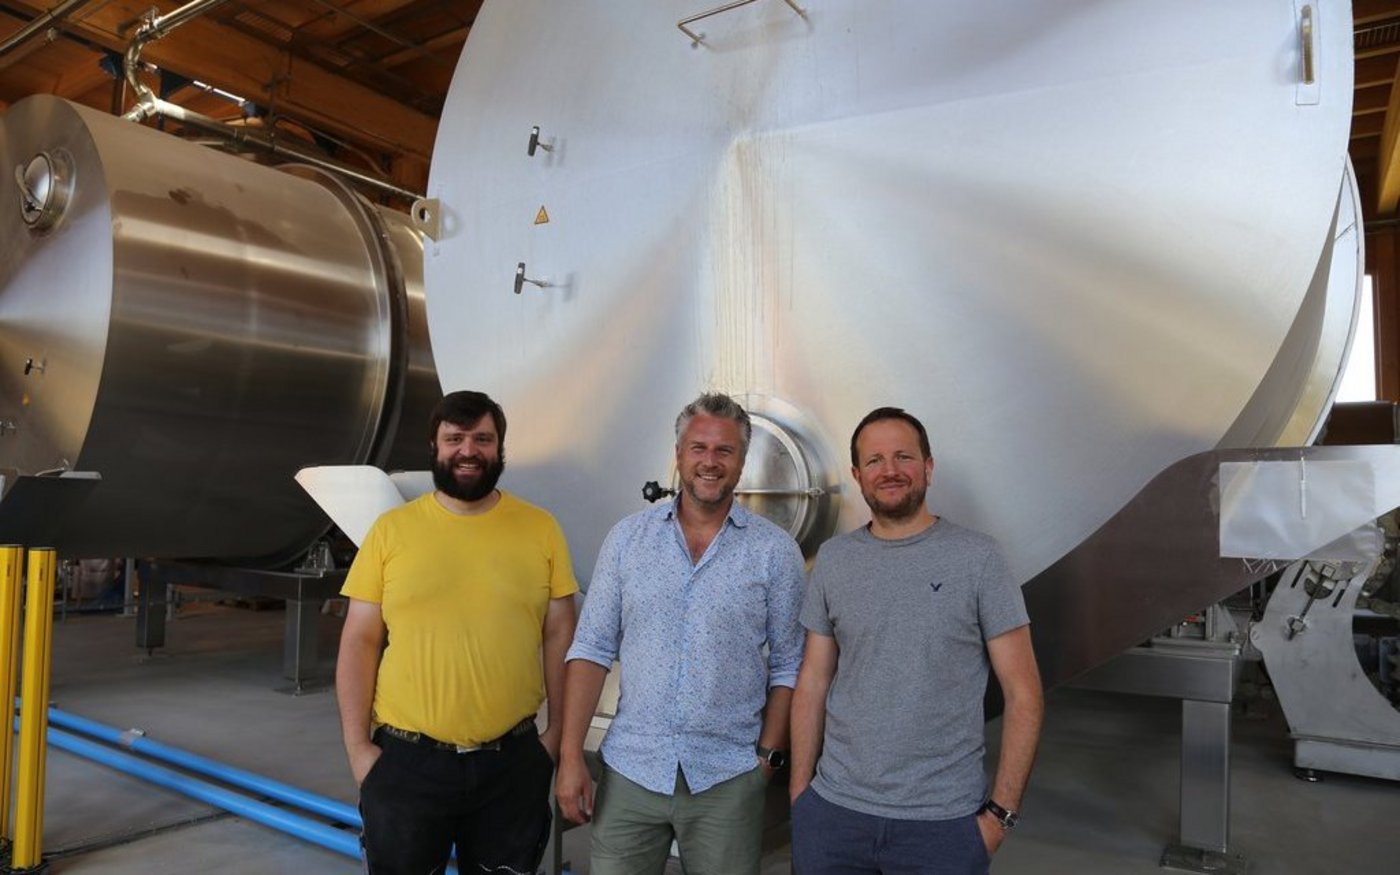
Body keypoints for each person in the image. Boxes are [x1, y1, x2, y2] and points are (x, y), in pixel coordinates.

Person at [556, 392, 806, 875]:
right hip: (631, 771)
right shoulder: (627, 540)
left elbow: (789, 664)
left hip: (728, 778)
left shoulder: (774, 552)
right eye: (698, 448)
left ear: (741, 461)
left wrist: (767, 759)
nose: (710, 462)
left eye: (724, 450)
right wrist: (571, 757)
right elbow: (591, 649)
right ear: (678, 455)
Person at [789, 406, 1044, 875]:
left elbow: (1023, 693)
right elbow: (813, 680)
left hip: (943, 825)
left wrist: (999, 817)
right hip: (834, 817)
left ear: (928, 467)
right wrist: (801, 796)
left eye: (903, 457)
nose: (889, 470)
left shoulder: (978, 559)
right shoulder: (834, 559)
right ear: (857, 476)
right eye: (874, 460)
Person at [335, 390, 579, 875]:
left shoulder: (540, 529)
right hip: (406, 764)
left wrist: (555, 739)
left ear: (500, 448)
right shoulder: (391, 532)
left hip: (511, 764)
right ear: (434, 446)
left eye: (482, 439)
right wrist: (359, 749)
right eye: (455, 438)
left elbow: (561, 636)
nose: (469, 450)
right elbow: (360, 641)